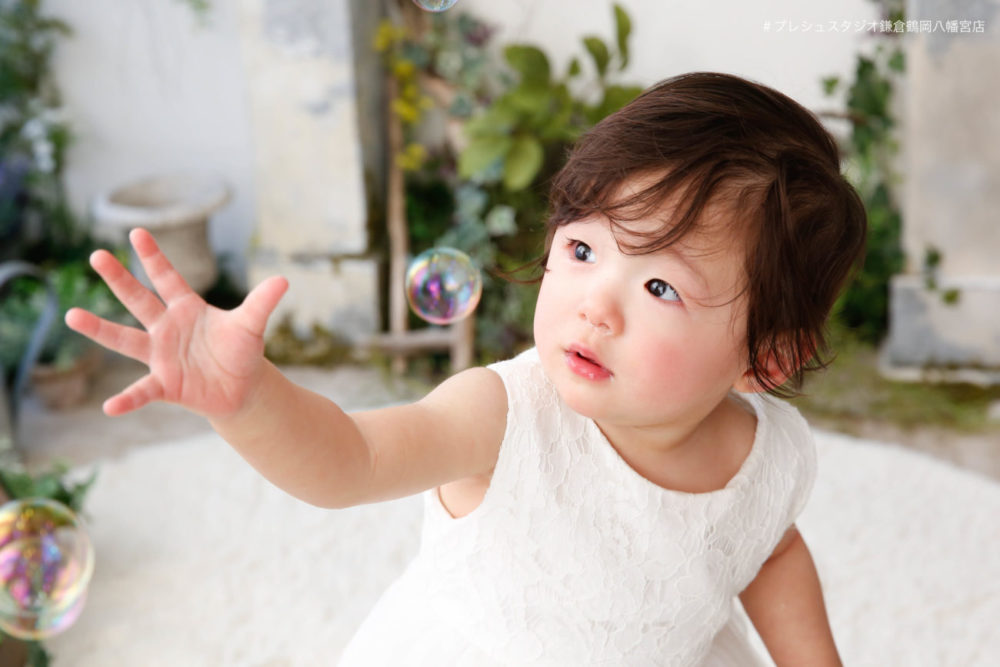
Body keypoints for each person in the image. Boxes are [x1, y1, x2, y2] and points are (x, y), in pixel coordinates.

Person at [67, 71, 866, 665]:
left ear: (765, 357)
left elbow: (768, 549)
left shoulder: (767, 455)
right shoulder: (502, 414)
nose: (596, 305)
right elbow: (350, 459)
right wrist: (246, 400)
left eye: (660, 286)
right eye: (583, 248)